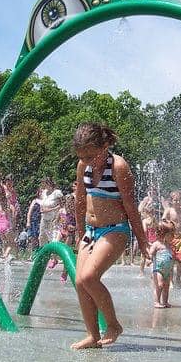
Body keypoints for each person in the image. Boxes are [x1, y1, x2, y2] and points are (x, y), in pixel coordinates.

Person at [71, 123, 149, 349]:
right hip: (91, 231)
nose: (87, 161)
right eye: (83, 156)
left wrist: (142, 242)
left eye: (92, 155)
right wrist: (79, 232)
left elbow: (131, 207)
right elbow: (79, 201)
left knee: (89, 277)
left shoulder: (119, 166)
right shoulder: (82, 166)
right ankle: (93, 336)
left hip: (115, 229)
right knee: (79, 282)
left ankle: (113, 325)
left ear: (105, 145)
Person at [147, 220, 175, 308]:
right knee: (159, 285)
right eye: (171, 234)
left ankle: (165, 302)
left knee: (166, 286)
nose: (173, 236)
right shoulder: (156, 244)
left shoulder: (169, 245)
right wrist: (149, 259)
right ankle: (157, 302)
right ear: (163, 234)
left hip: (167, 270)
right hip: (157, 269)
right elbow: (150, 253)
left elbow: (171, 256)